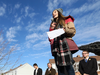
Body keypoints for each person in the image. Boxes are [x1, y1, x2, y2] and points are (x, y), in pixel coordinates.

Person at [48, 8, 79, 75]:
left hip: (65, 46)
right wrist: (51, 28)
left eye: (55, 12)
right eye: (52, 13)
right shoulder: (53, 24)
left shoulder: (67, 19)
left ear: (59, 12)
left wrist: (64, 30)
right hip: (56, 48)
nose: (53, 14)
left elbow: (72, 31)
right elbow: (50, 39)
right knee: (60, 69)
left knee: (69, 67)